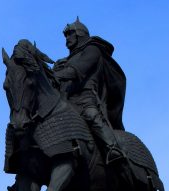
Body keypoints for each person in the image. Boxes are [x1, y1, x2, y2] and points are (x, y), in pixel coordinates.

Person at [51, 17, 127, 163]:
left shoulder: (93, 49)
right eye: (66, 35)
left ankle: (113, 148)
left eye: (70, 34)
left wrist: (56, 74)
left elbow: (77, 71)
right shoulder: (66, 60)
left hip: (85, 99)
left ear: (80, 33)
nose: (67, 38)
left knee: (91, 115)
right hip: (66, 100)